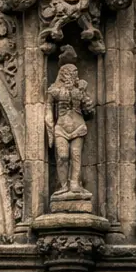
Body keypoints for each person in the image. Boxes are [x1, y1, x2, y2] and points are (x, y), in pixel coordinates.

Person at [46, 45, 94, 197]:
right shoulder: (54, 91)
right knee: (62, 156)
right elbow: (48, 107)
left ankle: (75, 183)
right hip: (61, 127)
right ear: (63, 74)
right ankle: (63, 185)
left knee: (76, 155)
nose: (72, 76)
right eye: (69, 73)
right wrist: (48, 123)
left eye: (74, 73)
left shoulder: (79, 90)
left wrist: (84, 97)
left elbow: (89, 110)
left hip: (78, 126)